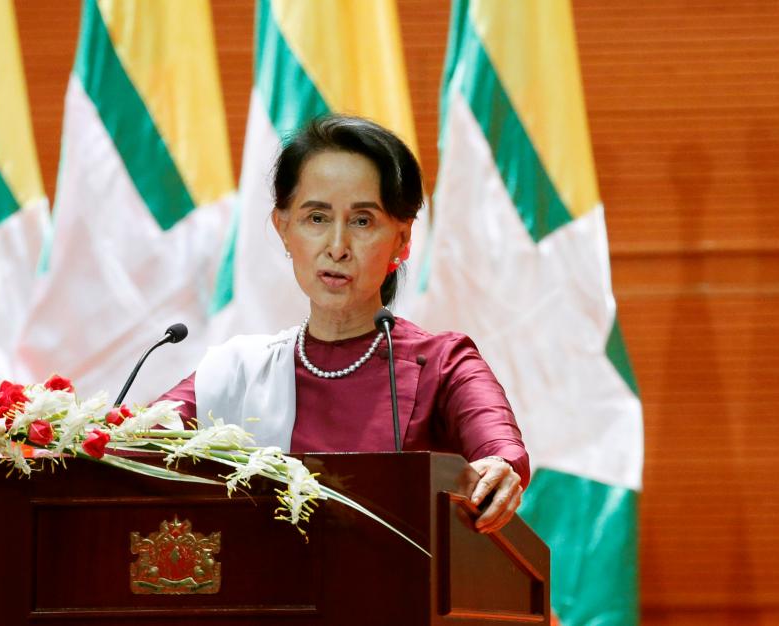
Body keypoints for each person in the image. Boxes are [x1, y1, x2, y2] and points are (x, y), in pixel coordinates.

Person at [159, 115, 528, 534]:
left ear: (402, 239)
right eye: (316, 218)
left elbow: (500, 447)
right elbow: (136, 441)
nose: (337, 247)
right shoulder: (242, 370)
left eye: (362, 221)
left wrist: (499, 467)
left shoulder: (442, 363)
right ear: (283, 227)